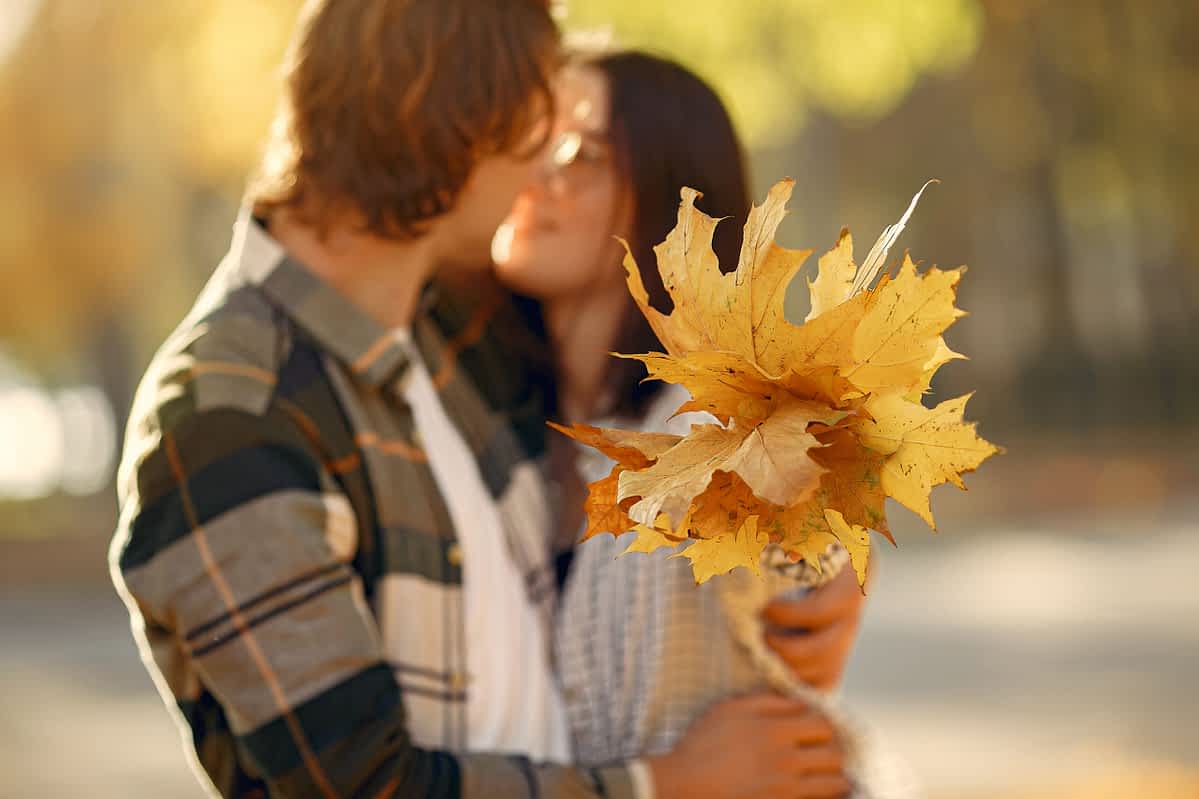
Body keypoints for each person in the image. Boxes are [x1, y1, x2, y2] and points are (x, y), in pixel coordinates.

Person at [110, 4, 847, 798]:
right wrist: (659, 786)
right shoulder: (231, 414)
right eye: (538, 124)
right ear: (457, 119)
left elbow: (718, 399)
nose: (543, 171)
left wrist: (820, 565)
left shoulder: (451, 338)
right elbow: (365, 787)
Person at [495, 52, 892, 796]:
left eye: (577, 154)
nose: (533, 178)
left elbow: (804, 501)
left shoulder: (713, 417)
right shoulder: (517, 434)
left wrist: (835, 552)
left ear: (667, 195)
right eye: (527, 149)